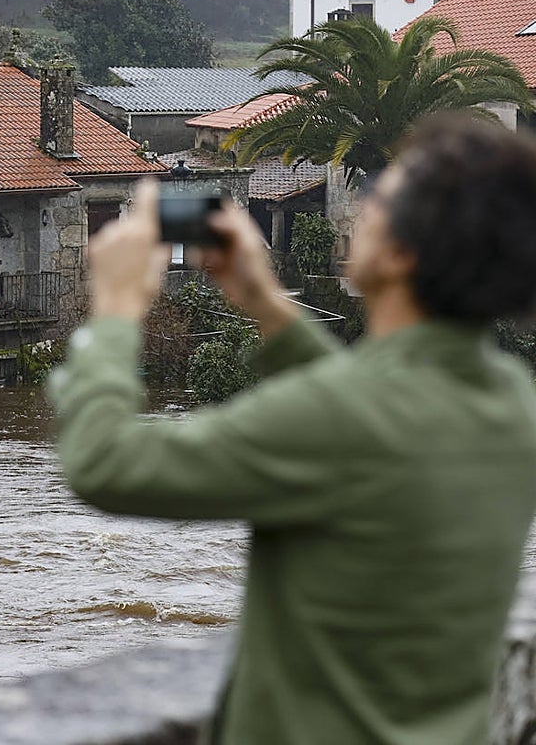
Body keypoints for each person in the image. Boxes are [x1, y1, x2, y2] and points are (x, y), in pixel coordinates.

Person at [48, 112, 536, 744]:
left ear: (397, 252)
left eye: (375, 199)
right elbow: (376, 418)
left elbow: (104, 461)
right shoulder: (511, 401)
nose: (360, 211)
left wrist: (114, 311)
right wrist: (265, 301)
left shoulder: (343, 417)